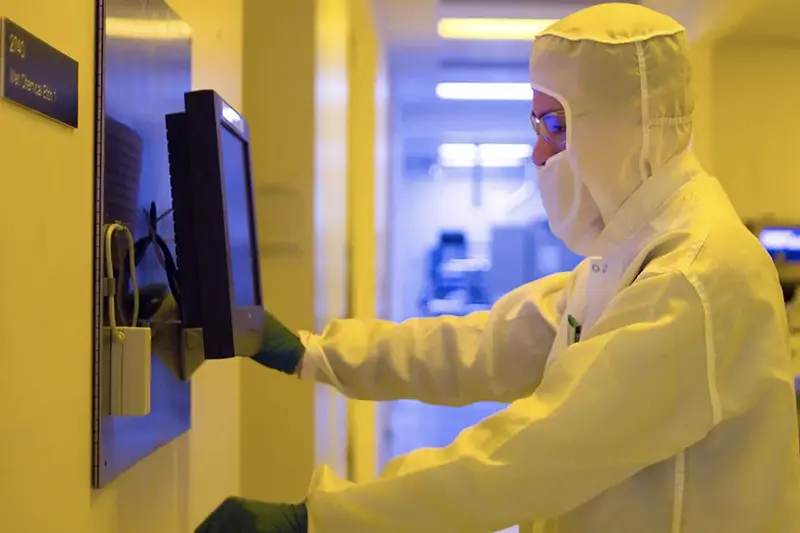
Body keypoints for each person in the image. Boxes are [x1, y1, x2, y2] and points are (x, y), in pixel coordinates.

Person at [193, 3, 800, 532]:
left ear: (626, 127)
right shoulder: (626, 258)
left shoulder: (693, 276)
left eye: (557, 126)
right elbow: (483, 344)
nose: (539, 153)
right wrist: (312, 352)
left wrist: (324, 518)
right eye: (537, 127)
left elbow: (537, 452)